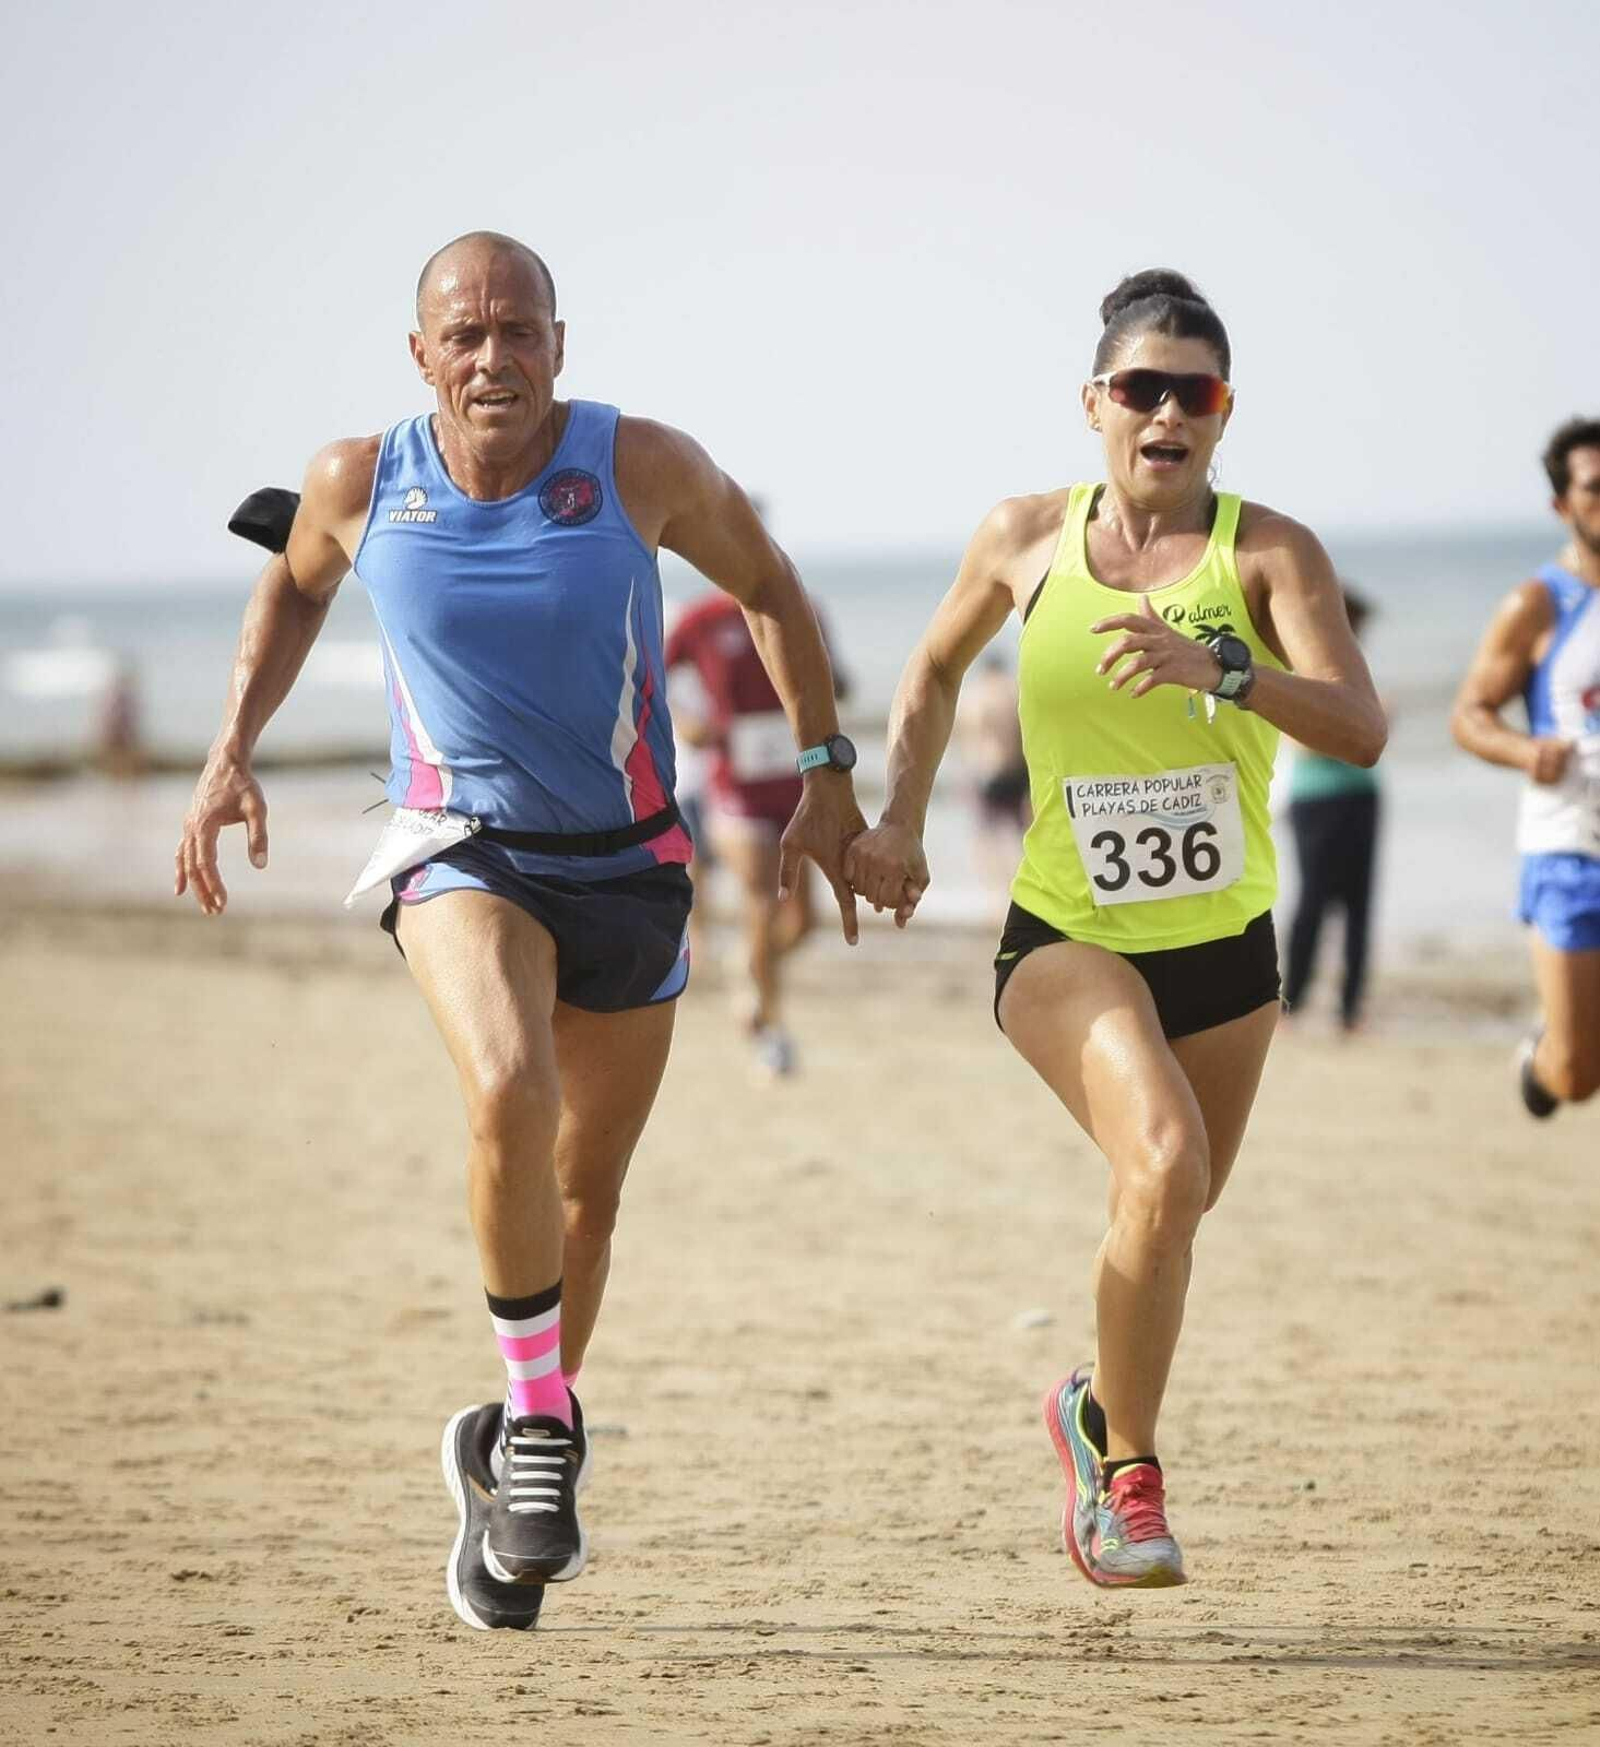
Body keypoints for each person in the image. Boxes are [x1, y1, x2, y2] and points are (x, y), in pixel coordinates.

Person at [174, 232, 864, 1630]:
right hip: (460, 847)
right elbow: (295, 581)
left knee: (584, 1193)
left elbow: (771, 585)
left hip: (633, 861)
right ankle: (544, 1422)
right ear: (421, 353)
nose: (494, 357)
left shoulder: (639, 465)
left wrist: (828, 771)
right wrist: (229, 746)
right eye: (466, 334)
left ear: (560, 342)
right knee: (507, 1085)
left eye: (519, 331)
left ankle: (508, 1437)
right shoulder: (360, 479)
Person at [845, 270, 1384, 1588]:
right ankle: (1127, 1485)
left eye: (1193, 391)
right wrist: (899, 817)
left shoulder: (1270, 555)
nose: (1166, 412)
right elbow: (931, 668)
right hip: (1065, 932)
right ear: (1094, 403)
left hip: (1226, 948)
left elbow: (1361, 726)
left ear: (1223, 411)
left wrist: (1229, 669)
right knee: (1163, 1157)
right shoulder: (1025, 535)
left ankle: (1094, 1406)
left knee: (1173, 1206)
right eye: (1141, 388)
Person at [1451, 416, 1600, 1119]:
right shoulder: (1539, 605)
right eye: (1595, 488)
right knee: (1576, 1075)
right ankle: (1545, 1055)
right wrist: (1524, 750)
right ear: (1562, 505)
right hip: (1570, 851)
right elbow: (1469, 715)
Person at [666, 557, 850, 1075]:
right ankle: (770, 1031)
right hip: (735, 787)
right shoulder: (702, 620)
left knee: (804, 922)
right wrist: (687, 722)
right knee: (763, 900)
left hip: (796, 784)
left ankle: (749, 966)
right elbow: (651, 674)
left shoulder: (802, 609)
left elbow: (837, 685)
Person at [1282, 586, 1384, 1030]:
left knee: (1359, 904)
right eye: (1352, 625)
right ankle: (1292, 1001)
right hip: (1315, 797)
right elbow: (1302, 741)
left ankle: (1350, 1009)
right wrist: (1348, 733)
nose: (1356, 636)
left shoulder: (1355, 670)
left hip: (1362, 793)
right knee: (1312, 901)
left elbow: (1373, 735)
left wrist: (1352, 732)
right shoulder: (1299, 661)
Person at [959, 650, 1031, 908]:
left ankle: (998, 896)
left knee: (987, 837)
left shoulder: (975, 695)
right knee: (1025, 833)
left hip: (987, 771)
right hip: (1018, 771)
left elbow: (967, 737)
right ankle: (1024, 889)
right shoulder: (1015, 691)